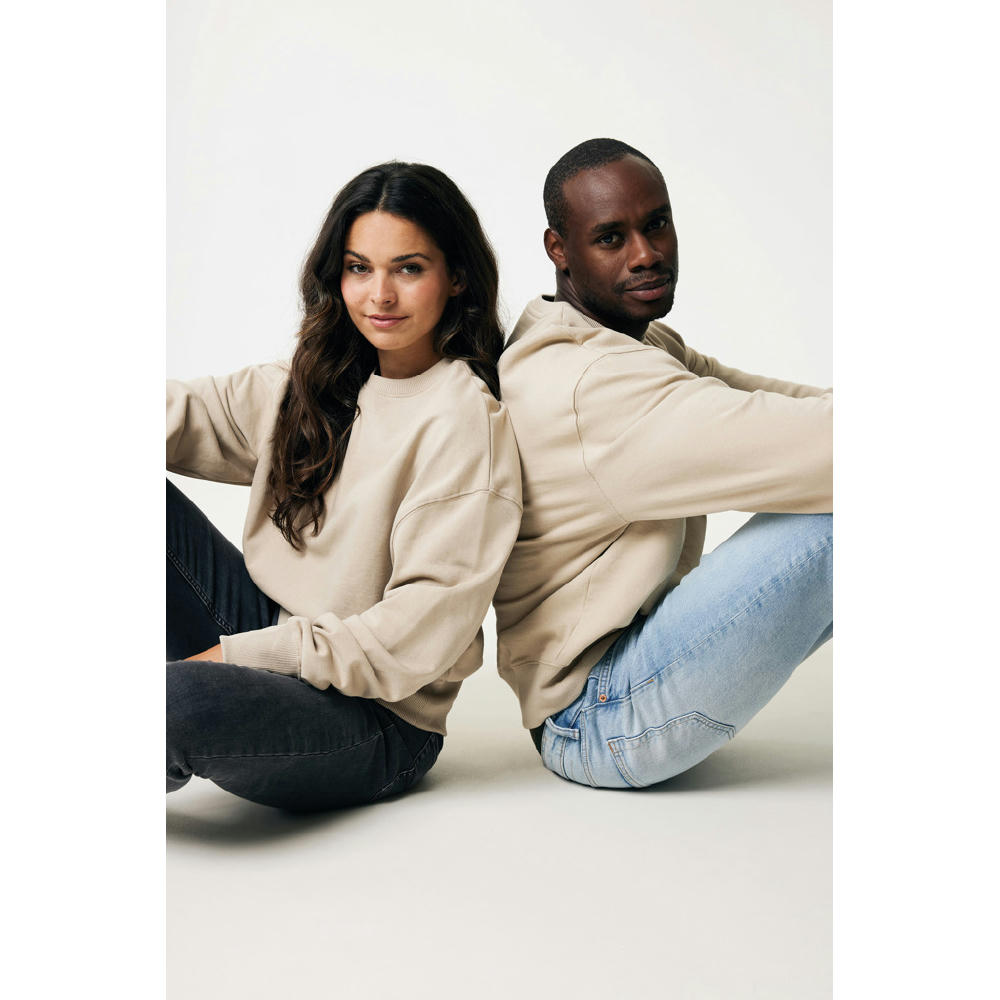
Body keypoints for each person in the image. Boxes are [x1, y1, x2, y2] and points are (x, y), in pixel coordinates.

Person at [167, 162, 522, 811]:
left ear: (457, 276)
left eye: (408, 269)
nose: (379, 295)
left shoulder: (464, 421)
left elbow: (409, 638)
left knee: (172, 703)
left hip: (377, 719)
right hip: (273, 635)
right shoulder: (318, 379)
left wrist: (228, 659)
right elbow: (185, 413)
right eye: (360, 268)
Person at [493, 138, 832, 789]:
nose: (646, 253)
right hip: (600, 720)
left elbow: (786, 407)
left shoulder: (631, 341)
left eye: (657, 225)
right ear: (559, 249)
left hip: (629, 685)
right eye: (611, 238)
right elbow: (821, 447)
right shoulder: (591, 384)